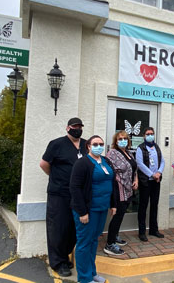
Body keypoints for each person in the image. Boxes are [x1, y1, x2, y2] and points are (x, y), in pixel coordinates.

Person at [39, 117, 86, 277]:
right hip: (59, 193)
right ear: (68, 128)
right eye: (74, 126)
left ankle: (65, 257)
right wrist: (57, 177)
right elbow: (44, 164)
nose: (77, 129)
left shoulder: (86, 145)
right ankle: (58, 263)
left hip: (78, 195)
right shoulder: (56, 144)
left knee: (73, 228)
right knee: (58, 228)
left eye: (80, 126)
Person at [70, 135, 118, 283]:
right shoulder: (82, 163)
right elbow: (75, 187)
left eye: (101, 144)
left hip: (102, 209)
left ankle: (92, 273)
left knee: (93, 242)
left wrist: (113, 204)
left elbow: (113, 183)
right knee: (84, 243)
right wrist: (82, 212)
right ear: (88, 146)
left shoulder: (105, 161)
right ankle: (84, 278)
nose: (99, 146)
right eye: (95, 144)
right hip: (87, 211)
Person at [104, 130, 138, 255]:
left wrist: (136, 180)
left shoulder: (129, 153)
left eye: (125, 138)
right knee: (117, 216)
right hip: (118, 189)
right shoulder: (112, 153)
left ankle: (115, 235)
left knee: (122, 214)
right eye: (120, 138)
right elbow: (109, 171)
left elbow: (134, 169)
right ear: (116, 141)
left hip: (128, 189)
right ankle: (110, 244)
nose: (122, 140)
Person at [136, 127, 165, 241]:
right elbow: (140, 164)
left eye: (152, 133)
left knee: (154, 205)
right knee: (143, 206)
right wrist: (151, 174)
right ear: (144, 136)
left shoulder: (156, 147)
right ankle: (142, 232)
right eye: (148, 134)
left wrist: (159, 172)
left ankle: (153, 230)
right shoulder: (140, 148)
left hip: (156, 181)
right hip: (145, 181)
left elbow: (162, 161)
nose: (150, 135)